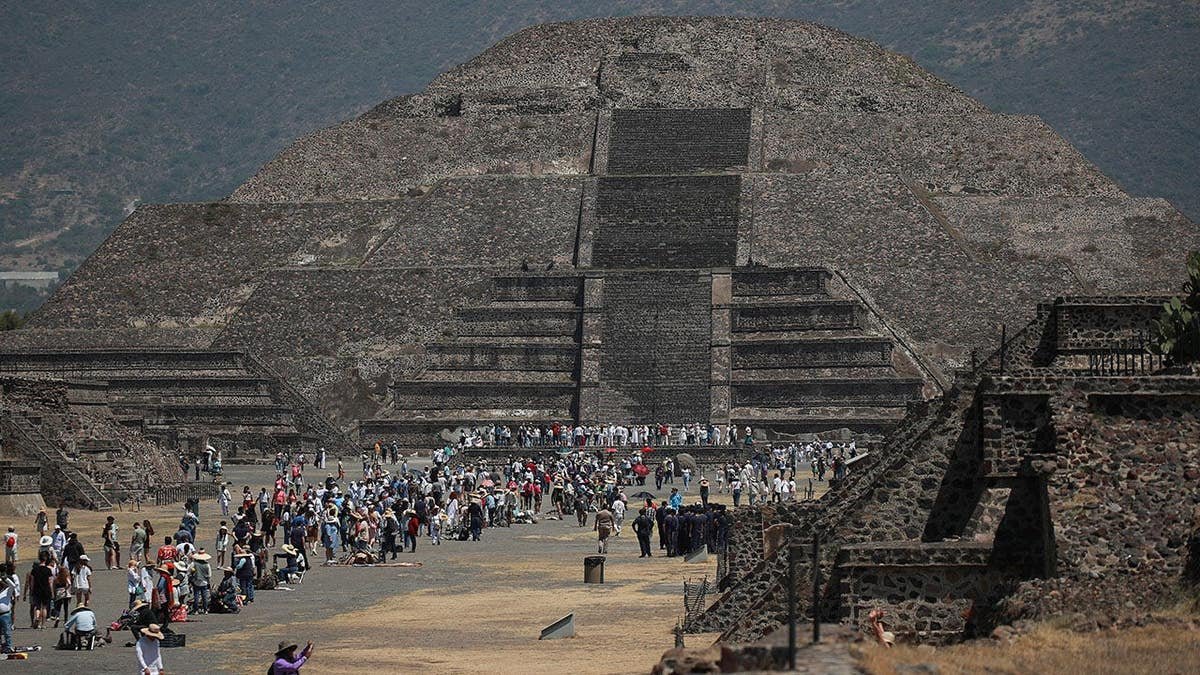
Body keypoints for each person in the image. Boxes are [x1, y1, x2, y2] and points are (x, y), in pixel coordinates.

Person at [0, 562, 19, 654]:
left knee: (7, 632)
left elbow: (13, 586)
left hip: (5, 614)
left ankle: (8, 646)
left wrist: (6, 579)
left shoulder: (7, 591)